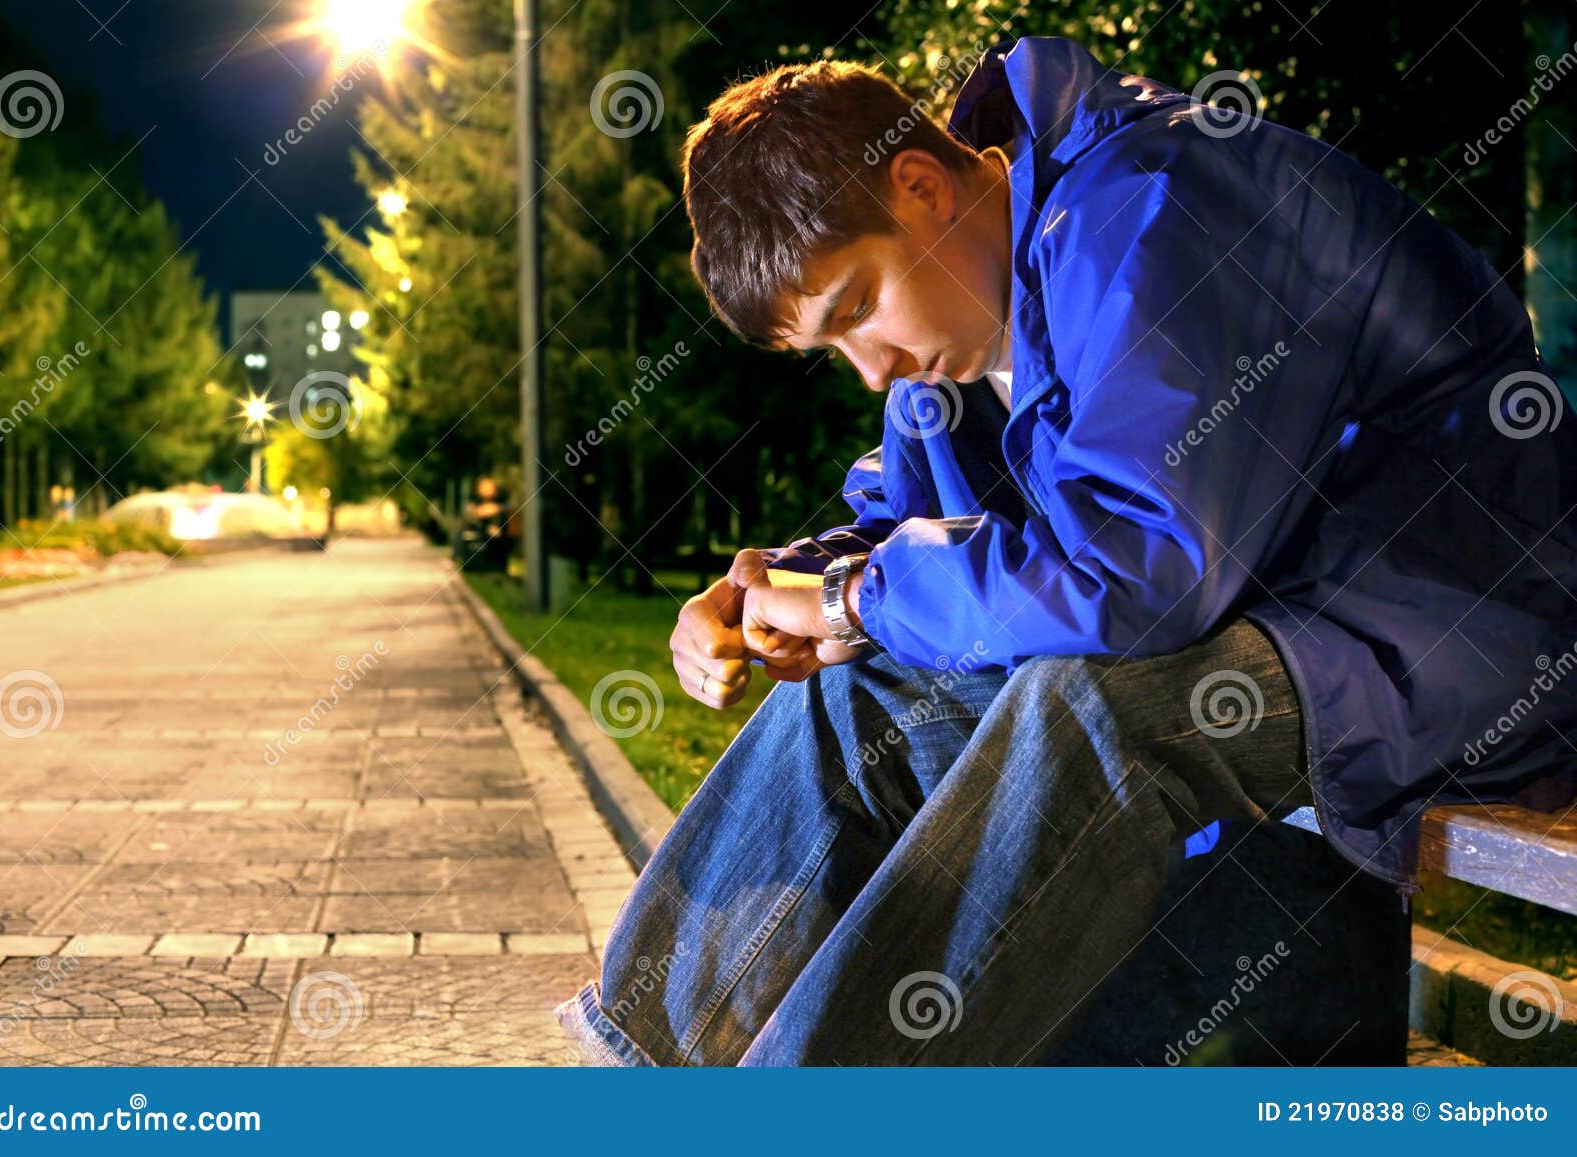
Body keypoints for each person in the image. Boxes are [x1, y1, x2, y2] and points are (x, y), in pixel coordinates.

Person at [555, 35, 1577, 1065]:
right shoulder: (958, 326)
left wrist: (859, 598)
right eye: (833, 347)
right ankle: (644, 1069)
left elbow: (1136, 567)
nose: (871, 370)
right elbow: (901, 534)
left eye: (857, 307)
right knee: (856, 691)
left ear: (918, 185)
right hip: (1256, 619)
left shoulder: (1154, 206)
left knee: (1087, 707)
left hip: (1448, 622)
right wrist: (790, 586)